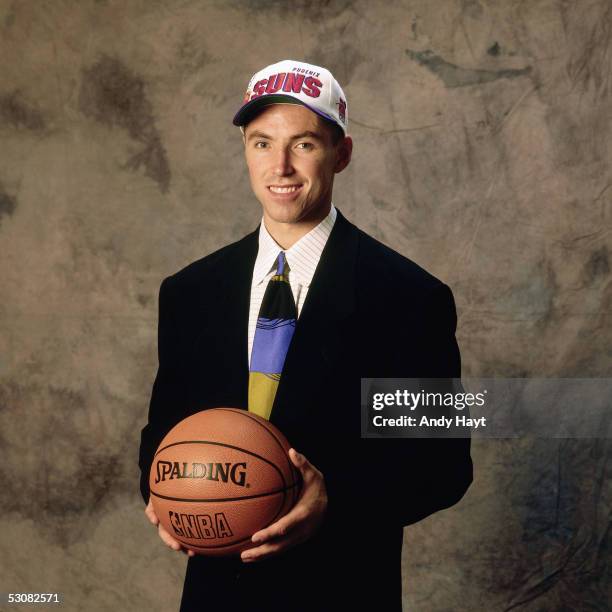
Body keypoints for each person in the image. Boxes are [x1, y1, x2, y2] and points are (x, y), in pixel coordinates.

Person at [139, 59, 473, 612]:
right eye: (262, 142)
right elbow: (160, 437)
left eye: (305, 144)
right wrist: (166, 493)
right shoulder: (188, 292)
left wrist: (333, 500)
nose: (281, 166)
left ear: (341, 153)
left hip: (342, 590)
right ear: (245, 149)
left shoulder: (410, 297)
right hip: (216, 595)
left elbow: (444, 467)